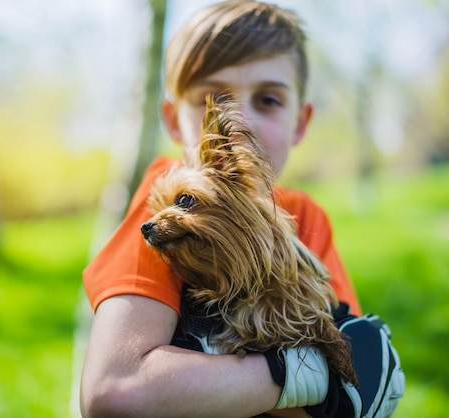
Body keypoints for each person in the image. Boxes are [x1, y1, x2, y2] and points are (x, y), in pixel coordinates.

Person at [80, 1, 403, 417]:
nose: (241, 123)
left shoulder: (306, 220)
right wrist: (297, 377)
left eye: (268, 99)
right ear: (173, 120)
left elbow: (352, 379)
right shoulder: (165, 205)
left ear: (300, 122)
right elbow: (116, 391)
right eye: (212, 99)